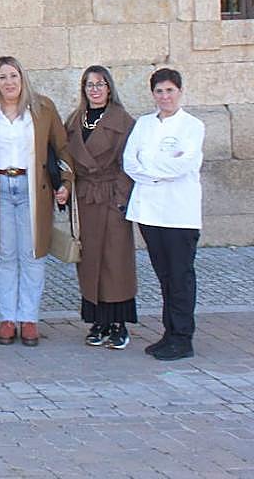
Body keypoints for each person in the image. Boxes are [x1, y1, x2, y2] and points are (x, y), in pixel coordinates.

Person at [0, 56, 72, 348]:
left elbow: (61, 149)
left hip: (32, 189)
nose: (9, 82)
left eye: (14, 76)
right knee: (3, 255)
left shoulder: (42, 109)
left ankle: (28, 319)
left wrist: (64, 183)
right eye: (3, 77)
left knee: (32, 254)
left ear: (22, 78)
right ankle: (7, 318)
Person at [123, 68, 205, 361]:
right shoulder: (144, 124)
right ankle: (169, 333)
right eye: (159, 91)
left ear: (180, 92)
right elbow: (130, 162)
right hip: (150, 212)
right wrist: (159, 170)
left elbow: (184, 165)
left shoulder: (192, 126)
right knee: (164, 276)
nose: (165, 96)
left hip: (179, 213)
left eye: (170, 90)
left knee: (181, 276)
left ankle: (183, 337)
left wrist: (152, 171)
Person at [64, 66, 137, 350]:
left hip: (110, 196)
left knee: (115, 262)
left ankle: (119, 323)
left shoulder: (123, 121)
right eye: (89, 84)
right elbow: (66, 159)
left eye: (100, 84)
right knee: (90, 260)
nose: (94, 89)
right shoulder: (74, 120)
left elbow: (128, 163)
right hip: (85, 199)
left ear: (109, 87)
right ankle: (98, 321)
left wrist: (120, 197)